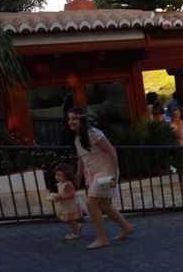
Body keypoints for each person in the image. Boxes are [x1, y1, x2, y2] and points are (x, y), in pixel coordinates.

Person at [68, 106, 134, 249]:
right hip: (97, 174)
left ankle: (102, 238)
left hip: (106, 172)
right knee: (103, 204)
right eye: (69, 118)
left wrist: (114, 175)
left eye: (74, 118)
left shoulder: (94, 133)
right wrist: (78, 175)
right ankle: (126, 226)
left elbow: (112, 151)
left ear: (83, 119)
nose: (70, 121)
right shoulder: (78, 138)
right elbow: (81, 159)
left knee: (91, 203)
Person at [48, 163, 83, 240]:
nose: (57, 177)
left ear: (66, 175)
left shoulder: (66, 184)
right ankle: (77, 226)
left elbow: (71, 195)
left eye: (59, 175)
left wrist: (60, 197)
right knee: (69, 219)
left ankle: (75, 233)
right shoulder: (61, 184)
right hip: (65, 205)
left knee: (69, 219)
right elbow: (62, 194)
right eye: (56, 175)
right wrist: (56, 196)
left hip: (69, 205)